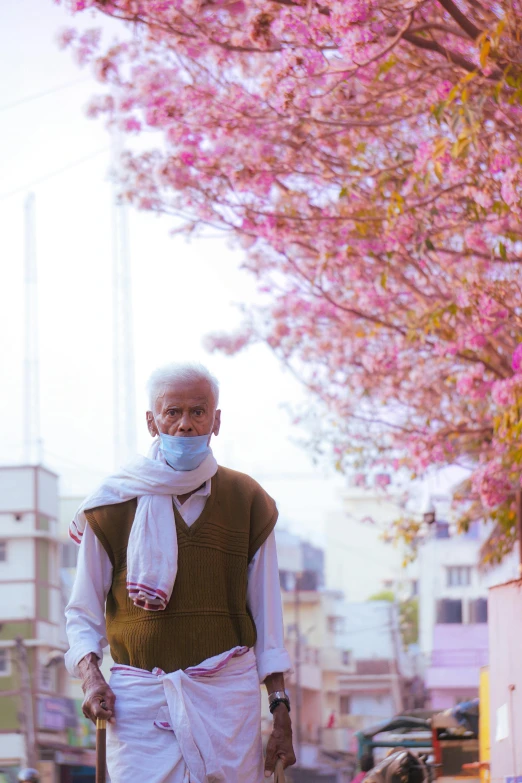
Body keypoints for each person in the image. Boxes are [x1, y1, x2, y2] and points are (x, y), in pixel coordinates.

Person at [65, 363, 296, 783]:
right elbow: (81, 614)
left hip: (227, 708)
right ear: (152, 422)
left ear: (217, 420)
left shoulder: (248, 501)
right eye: (173, 412)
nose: (186, 425)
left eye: (198, 411)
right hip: (139, 710)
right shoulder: (111, 504)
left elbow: (268, 620)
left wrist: (280, 711)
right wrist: (91, 678)